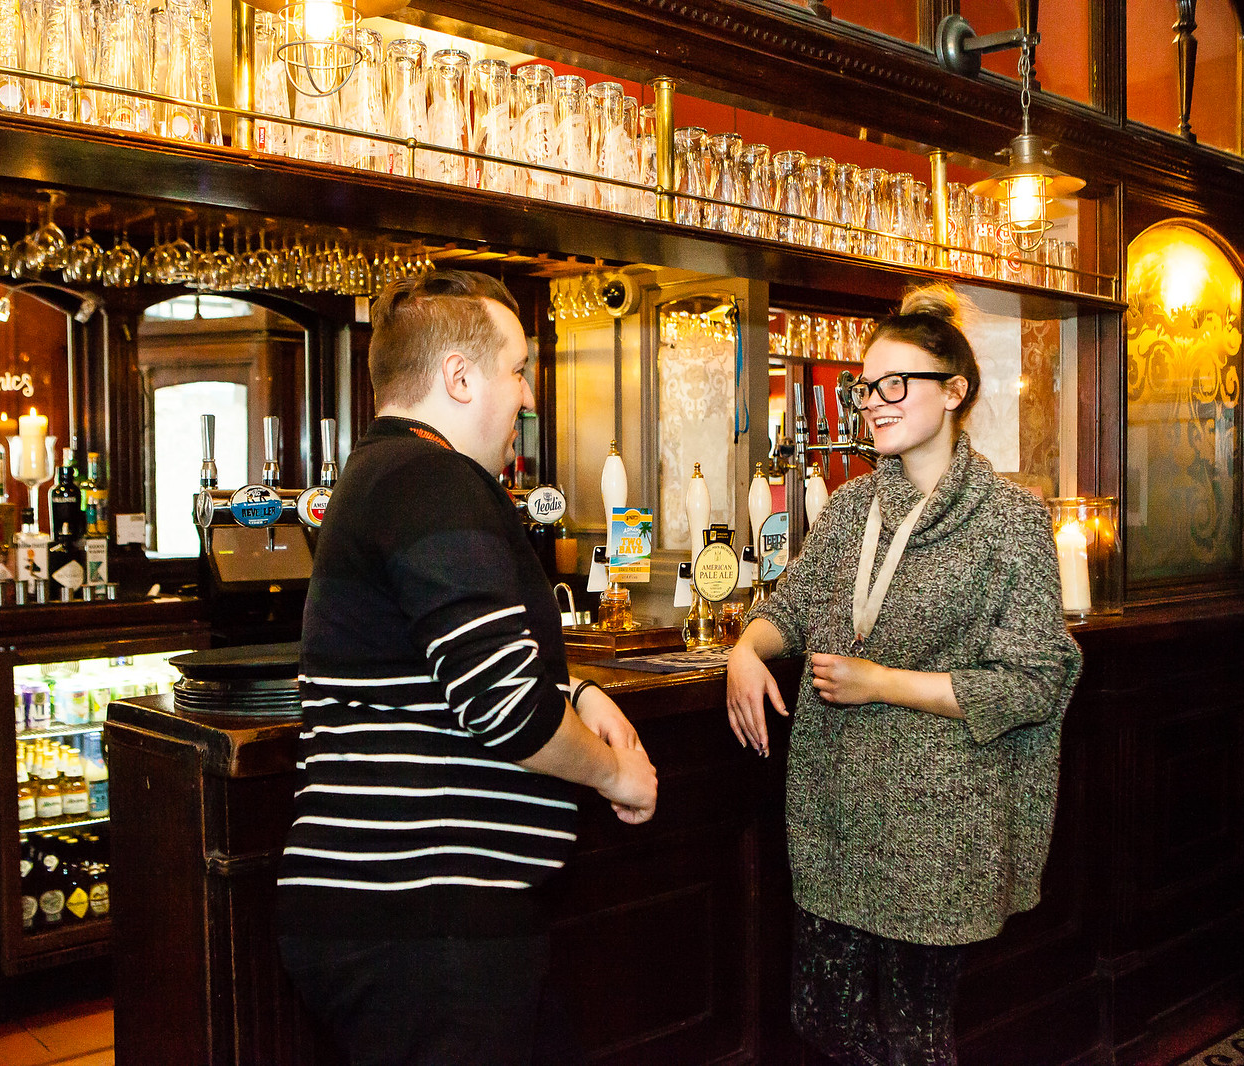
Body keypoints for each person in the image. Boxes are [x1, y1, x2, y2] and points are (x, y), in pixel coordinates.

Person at [278, 270, 658, 1066]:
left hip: (407, 916)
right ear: (457, 377)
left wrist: (579, 689)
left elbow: (440, 658)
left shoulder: (385, 473)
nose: (527, 398)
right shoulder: (433, 479)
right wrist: (613, 775)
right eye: (517, 370)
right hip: (427, 922)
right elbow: (506, 709)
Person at [726, 284, 1082, 1065]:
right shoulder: (854, 507)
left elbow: (1030, 681)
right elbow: (789, 608)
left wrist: (880, 681)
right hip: (836, 812)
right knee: (823, 1021)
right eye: (865, 387)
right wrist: (745, 651)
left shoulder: (1010, 519)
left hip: (940, 826)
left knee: (916, 1041)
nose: (873, 402)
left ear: (954, 391)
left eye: (897, 384)